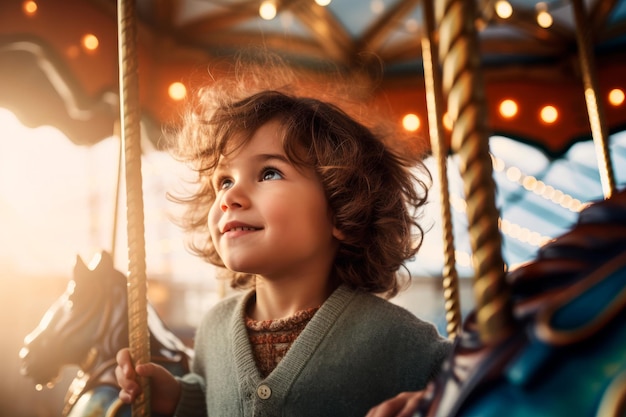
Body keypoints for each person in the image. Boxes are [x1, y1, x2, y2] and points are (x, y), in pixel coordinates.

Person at [115, 56, 452, 417]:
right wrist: (181, 400)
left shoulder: (399, 340)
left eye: (269, 173)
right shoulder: (214, 329)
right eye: (224, 181)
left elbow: (478, 390)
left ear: (341, 209)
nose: (229, 196)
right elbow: (214, 397)